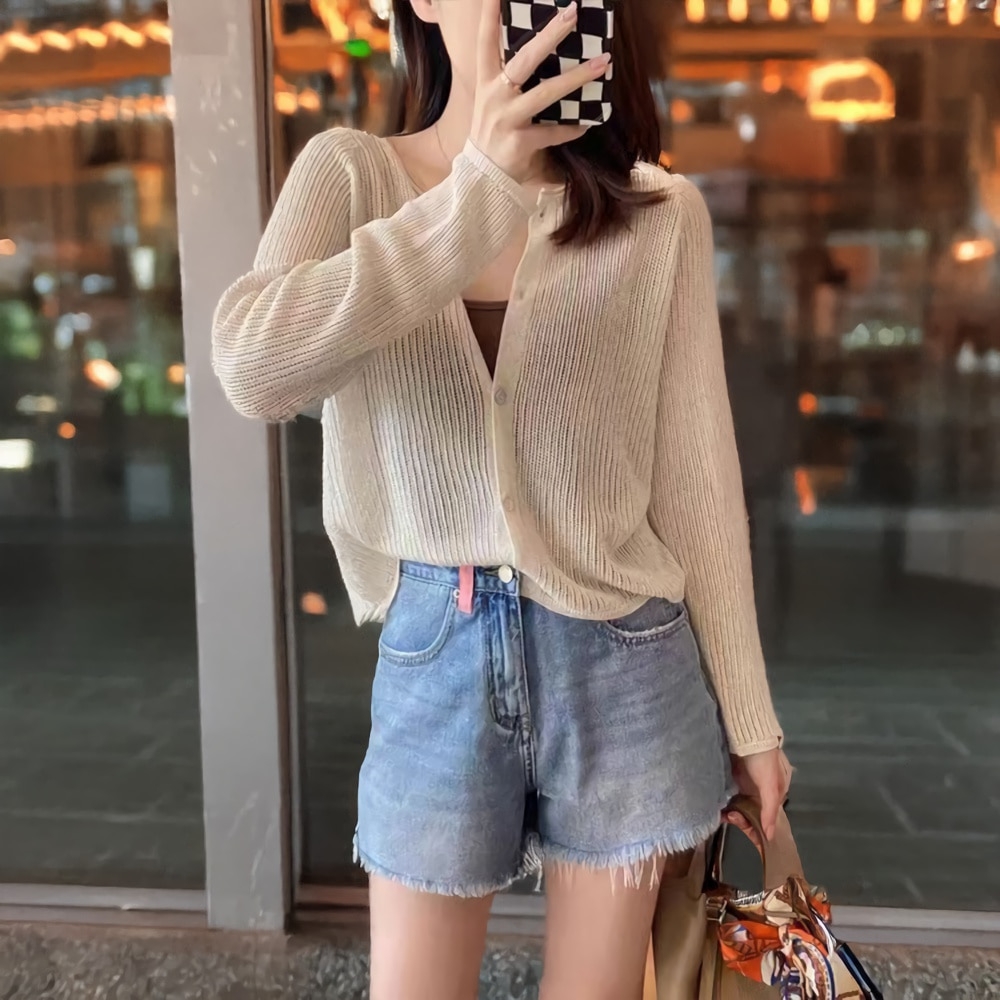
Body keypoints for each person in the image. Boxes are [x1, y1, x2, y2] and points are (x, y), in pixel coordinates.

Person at [211, 0, 792, 996]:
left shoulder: (658, 211)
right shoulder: (350, 174)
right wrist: (477, 185)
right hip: (437, 650)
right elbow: (254, 371)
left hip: (626, 658)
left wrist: (751, 719)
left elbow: (695, 479)